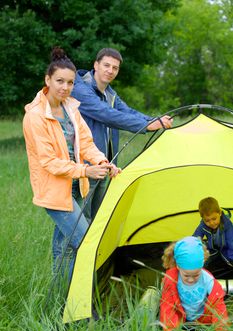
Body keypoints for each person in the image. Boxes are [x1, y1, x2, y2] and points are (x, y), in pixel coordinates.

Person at [23, 47, 121, 280]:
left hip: (76, 186)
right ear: (48, 80)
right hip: (54, 190)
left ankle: (62, 302)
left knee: (65, 248)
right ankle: (88, 299)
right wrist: (86, 169)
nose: (65, 87)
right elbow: (49, 162)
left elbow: (86, 142)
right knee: (86, 241)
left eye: (69, 82)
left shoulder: (71, 108)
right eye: (59, 81)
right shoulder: (35, 116)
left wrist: (102, 162)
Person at [71, 47, 173, 222]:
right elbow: (106, 114)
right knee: (79, 223)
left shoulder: (110, 94)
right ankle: (69, 251)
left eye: (115, 68)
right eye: (106, 65)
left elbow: (128, 112)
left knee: (97, 222)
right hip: (85, 167)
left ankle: (91, 250)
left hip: (105, 164)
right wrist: (146, 126)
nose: (110, 71)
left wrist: (156, 120)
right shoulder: (81, 89)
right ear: (96, 65)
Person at [160, 236, 229, 331]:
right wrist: (170, 330)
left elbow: (219, 307)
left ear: (202, 266)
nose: (191, 279)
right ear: (178, 266)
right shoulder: (171, 279)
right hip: (181, 319)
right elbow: (167, 305)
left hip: (203, 321)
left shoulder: (209, 281)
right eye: (186, 275)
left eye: (196, 275)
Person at [193, 197, 233, 279]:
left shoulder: (227, 224)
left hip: (225, 249)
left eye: (214, 219)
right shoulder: (203, 225)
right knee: (200, 263)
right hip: (212, 249)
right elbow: (196, 237)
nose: (211, 223)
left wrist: (231, 257)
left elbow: (231, 242)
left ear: (220, 213)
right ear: (203, 219)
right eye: (207, 220)